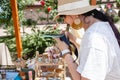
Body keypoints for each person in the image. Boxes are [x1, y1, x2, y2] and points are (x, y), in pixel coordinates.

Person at [51, 0, 120, 80]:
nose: (64, 21)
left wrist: (65, 52)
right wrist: (72, 39)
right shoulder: (101, 27)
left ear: (75, 15)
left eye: (63, 16)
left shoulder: (94, 36)